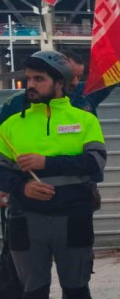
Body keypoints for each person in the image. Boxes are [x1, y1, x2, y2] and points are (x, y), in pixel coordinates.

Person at [0, 51, 106, 299]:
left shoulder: (85, 120)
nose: (31, 85)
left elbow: (95, 162)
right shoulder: (11, 125)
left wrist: (46, 162)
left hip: (74, 218)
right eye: (29, 78)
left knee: (77, 290)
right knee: (32, 292)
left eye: (39, 79)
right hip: (26, 219)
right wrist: (22, 187)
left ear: (59, 82)